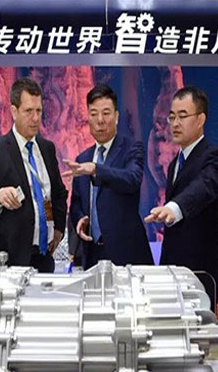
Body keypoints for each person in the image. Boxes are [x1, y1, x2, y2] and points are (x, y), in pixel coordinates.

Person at [0, 77, 68, 273]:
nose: (35, 118)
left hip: (45, 256)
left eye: (39, 111)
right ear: (14, 111)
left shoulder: (47, 149)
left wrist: (58, 228)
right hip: (11, 261)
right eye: (28, 111)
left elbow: (57, 193)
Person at [144, 86, 218, 308]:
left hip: (201, 275)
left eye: (182, 116)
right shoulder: (175, 163)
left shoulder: (214, 157)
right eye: (172, 117)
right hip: (174, 275)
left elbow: (204, 186)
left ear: (200, 119)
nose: (175, 123)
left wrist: (174, 208)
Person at [65, 84, 153, 269]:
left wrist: (97, 170)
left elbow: (132, 179)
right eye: (94, 114)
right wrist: (79, 218)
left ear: (117, 116)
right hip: (91, 254)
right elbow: (76, 203)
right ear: (88, 117)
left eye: (106, 113)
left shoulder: (132, 148)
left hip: (127, 255)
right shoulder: (82, 158)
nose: (100, 120)